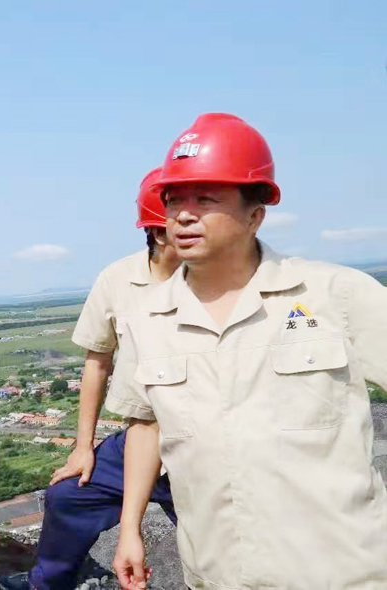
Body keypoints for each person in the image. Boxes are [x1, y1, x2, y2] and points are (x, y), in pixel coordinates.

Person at [110, 113, 387, 590]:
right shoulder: (147, 318)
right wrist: (129, 528)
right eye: (173, 200)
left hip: (341, 569)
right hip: (219, 572)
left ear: (254, 214)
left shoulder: (335, 295)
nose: (183, 215)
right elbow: (146, 424)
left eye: (205, 199)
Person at [0, 167, 181, 590]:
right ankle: (47, 583)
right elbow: (97, 362)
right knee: (68, 496)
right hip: (141, 435)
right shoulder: (119, 279)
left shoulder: (212, 282)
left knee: (216, 542)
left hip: (193, 446)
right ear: (157, 232)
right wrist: (83, 447)